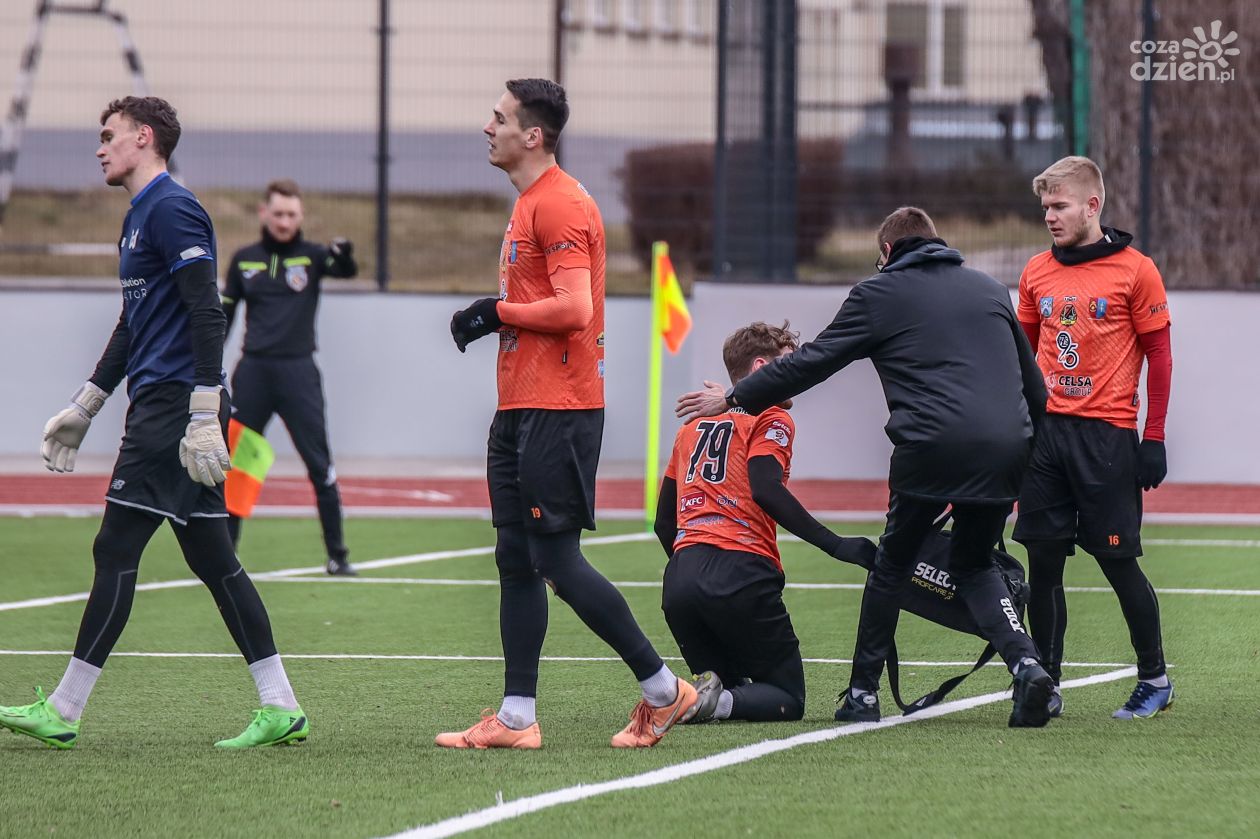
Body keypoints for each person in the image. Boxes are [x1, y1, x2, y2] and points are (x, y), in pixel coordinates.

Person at [0, 97, 307, 750]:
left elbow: (207, 312)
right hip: (167, 403)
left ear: (144, 138)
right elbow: (132, 322)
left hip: (176, 407)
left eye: (108, 135)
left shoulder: (172, 208)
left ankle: (64, 709)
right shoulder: (138, 216)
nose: (99, 148)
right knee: (213, 556)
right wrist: (87, 404)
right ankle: (280, 704)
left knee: (115, 548)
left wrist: (203, 409)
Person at [678, 207, 1055, 728]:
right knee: (974, 566)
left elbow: (813, 361)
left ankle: (862, 694)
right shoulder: (991, 290)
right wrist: (1025, 462)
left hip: (931, 446)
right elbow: (1036, 389)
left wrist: (735, 397)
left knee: (891, 567)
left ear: (887, 252)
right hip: (1008, 446)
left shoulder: (878, 293)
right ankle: (1028, 665)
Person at [437, 78, 700, 749]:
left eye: (498, 118)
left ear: (532, 135)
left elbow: (575, 308)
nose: (487, 127)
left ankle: (664, 690)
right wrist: (495, 318)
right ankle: (516, 717)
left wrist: (493, 312)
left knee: (555, 558)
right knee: (514, 557)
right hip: (520, 406)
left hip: (560, 408)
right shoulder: (530, 202)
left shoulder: (559, 204)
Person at [1012, 156, 1174, 720]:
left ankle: (1154, 679)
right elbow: (1021, 359)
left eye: (1059, 206)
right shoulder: (1036, 271)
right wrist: (1014, 430)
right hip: (1046, 439)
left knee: (1117, 561)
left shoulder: (1137, 270)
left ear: (1092, 206)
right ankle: (1045, 683)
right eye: (1045, 207)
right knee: (1043, 565)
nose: (1050, 216)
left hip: (1107, 438)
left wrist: (1153, 437)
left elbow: (1160, 356)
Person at [655, 322, 876, 723]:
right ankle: (706, 702)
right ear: (761, 367)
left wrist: (695, 572)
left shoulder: (691, 426)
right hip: (740, 572)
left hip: (680, 582)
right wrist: (836, 545)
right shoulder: (772, 416)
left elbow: (662, 524)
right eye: (789, 364)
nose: (797, 375)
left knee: (731, 686)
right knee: (787, 698)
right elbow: (766, 489)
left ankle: (704, 699)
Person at [220, 178, 358, 576]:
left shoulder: (313, 257)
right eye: (278, 213)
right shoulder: (244, 259)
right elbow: (224, 317)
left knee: (320, 464)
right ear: (264, 213)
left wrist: (345, 254)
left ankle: (338, 556)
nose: (284, 222)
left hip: (299, 372)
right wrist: (206, 367)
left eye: (292, 215)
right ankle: (224, 557)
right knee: (237, 464)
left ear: (301, 216)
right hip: (254, 373)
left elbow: (344, 270)